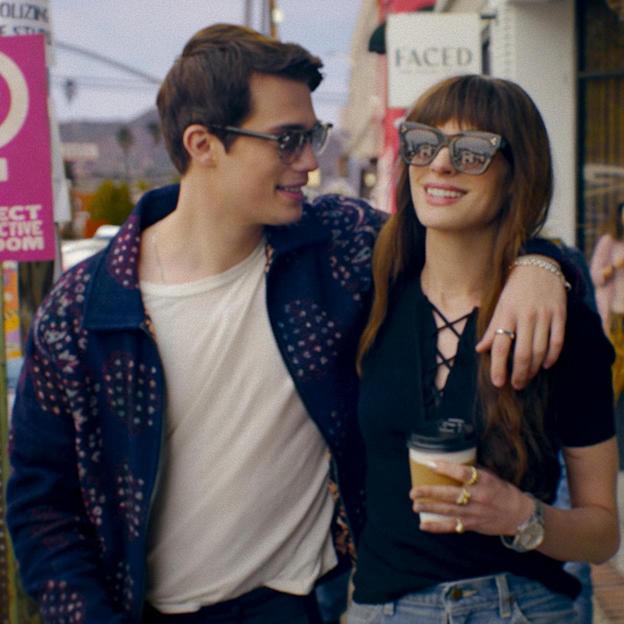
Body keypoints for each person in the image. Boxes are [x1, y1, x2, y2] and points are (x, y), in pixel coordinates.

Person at [7, 26, 572, 624]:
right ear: (203, 144)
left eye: (313, 135)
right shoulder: (82, 313)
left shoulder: (341, 247)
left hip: (312, 603)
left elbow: (470, 238)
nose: (311, 160)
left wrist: (542, 263)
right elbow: (42, 506)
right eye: (288, 140)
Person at [350, 75, 619, 624]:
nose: (440, 165)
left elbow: (601, 533)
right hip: (387, 609)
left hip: (521, 606)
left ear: (517, 173)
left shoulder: (563, 328)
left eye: (472, 151)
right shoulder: (367, 295)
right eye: (423, 143)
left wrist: (522, 516)